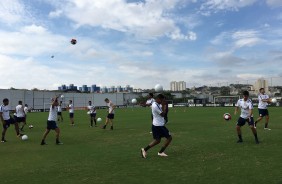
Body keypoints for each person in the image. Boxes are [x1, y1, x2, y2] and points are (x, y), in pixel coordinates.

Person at [141, 94, 172, 158]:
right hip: (159, 125)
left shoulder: (156, 104)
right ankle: (160, 152)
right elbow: (163, 114)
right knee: (169, 138)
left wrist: (164, 105)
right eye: (162, 100)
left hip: (156, 125)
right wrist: (164, 105)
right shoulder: (155, 106)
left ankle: (144, 149)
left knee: (157, 140)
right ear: (158, 99)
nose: (162, 101)